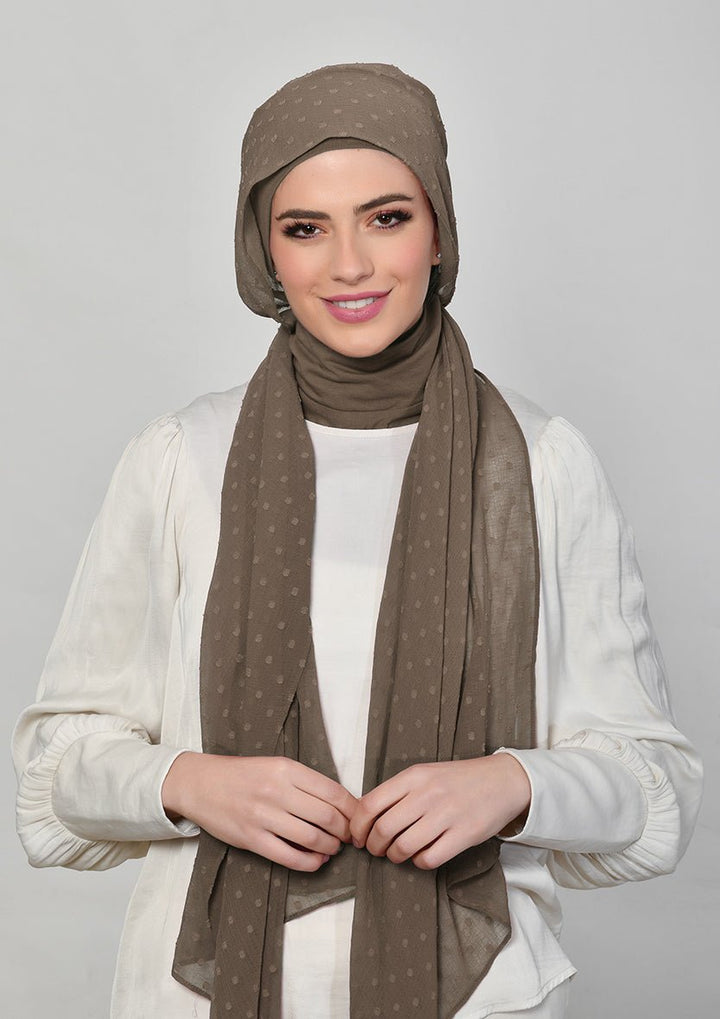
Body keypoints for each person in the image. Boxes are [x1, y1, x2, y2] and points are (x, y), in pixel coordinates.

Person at [12, 63, 702, 1019]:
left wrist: (515, 782)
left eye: (386, 218)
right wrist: (190, 781)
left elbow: (656, 788)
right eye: (306, 228)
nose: (349, 265)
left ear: (439, 231)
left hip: (479, 998)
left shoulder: (540, 461)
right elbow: (55, 770)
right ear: (264, 250)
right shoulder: (180, 458)